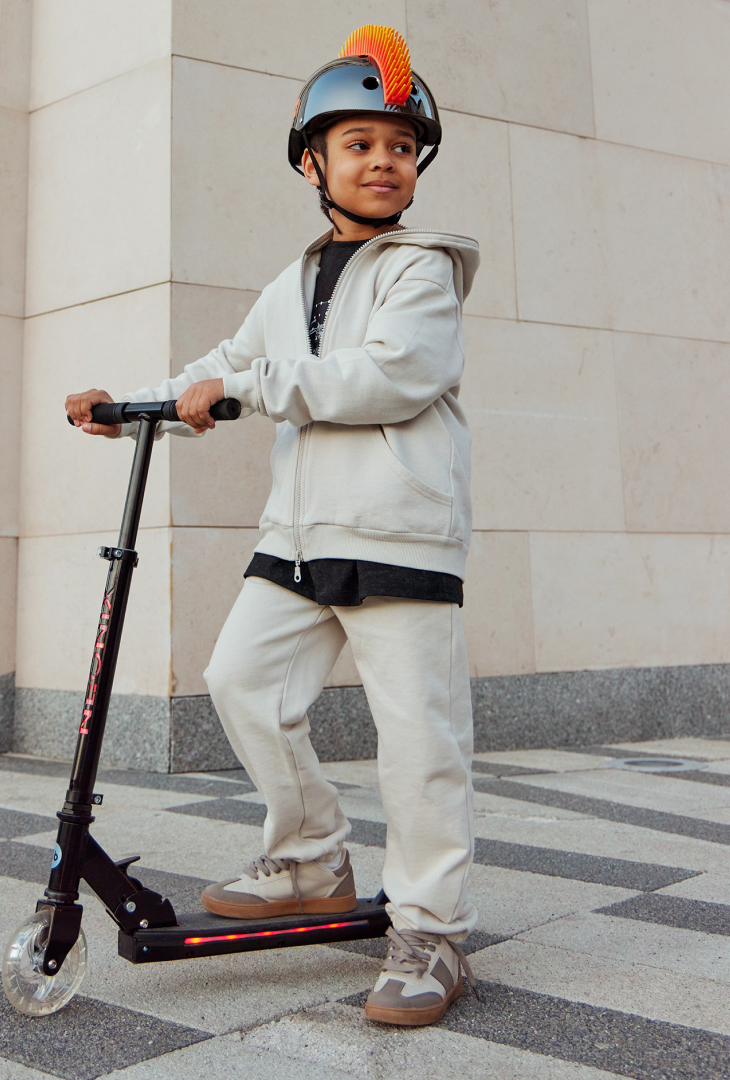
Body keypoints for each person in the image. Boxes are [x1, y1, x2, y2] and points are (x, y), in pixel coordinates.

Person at [65, 24, 480, 1027]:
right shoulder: (289, 285)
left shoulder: (424, 270)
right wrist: (133, 402)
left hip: (396, 536)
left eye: (400, 145)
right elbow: (225, 361)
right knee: (239, 679)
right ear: (312, 164)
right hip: (298, 542)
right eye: (358, 144)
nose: (384, 160)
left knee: (418, 743)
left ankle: (429, 933)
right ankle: (308, 857)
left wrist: (246, 391)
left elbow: (387, 375)